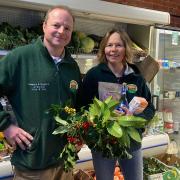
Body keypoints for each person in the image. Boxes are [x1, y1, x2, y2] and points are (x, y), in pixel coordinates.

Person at [0, 5, 82, 180]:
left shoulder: (72, 66)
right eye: (56, 25)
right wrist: (6, 126)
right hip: (32, 164)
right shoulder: (20, 58)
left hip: (64, 163)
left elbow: (76, 107)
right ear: (44, 26)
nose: (61, 31)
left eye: (67, 28)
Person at [81, 29, 155, 180]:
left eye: (118, 45)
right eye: (109, 45)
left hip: (131, 142)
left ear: (126, 48)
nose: (113, 50)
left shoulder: (136, 78)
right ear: (104, 49)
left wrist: (135, 116)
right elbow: (82, 107)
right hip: (103, 143)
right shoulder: (94, 75)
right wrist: (96, 123)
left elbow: (150, 108)